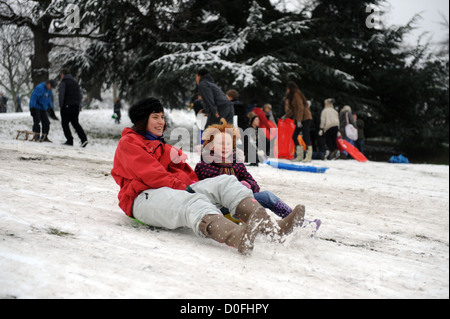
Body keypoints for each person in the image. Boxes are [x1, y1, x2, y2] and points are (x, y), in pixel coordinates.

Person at [111, 97, 305, 255]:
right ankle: (237, 236)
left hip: (172, 191)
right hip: (142, 198)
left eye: (162, 116)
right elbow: (151, 174)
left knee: (225, 182)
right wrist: (188, 189)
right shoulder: (129, 143)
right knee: (194, 201)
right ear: (142, 119)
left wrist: (206, 188)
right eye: (155, 117)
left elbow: (186, 176)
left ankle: (273, 229)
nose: (161, 122)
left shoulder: (162, 147)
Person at [195, 120, 305, 220]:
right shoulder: (204, 166)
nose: (225, 147)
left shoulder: (237, 164)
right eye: (221, 144)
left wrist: (247, 184)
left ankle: (294, 219)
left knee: (266, 196)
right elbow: (207, 189)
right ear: (211, 147)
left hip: (241, 203)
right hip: (219, 208)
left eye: (228, 144)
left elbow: (254, 185)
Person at [283, 82, 313, 162]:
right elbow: (293, 110)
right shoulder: (292, 97)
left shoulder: (296, 94)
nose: (287, 90)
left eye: (287, 88)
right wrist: (285, 116)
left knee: (306, 135)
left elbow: (300, 108)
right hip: (300, 119)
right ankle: (299, 155)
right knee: (294, 136)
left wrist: (299, 120)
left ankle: (308, 156)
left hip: (305, 117)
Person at [59, 69, 88, 147]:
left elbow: (62, 95)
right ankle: (84, 139)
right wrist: (79, 105)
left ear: (63, 74)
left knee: (65, 123)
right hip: (75, 107)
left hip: (67, 106)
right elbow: (80, 96)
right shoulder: (75, 83)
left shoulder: (63, 83)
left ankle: (69, 140)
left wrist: (61, 106)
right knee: (75, 123)